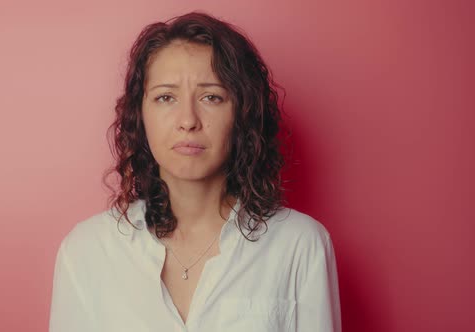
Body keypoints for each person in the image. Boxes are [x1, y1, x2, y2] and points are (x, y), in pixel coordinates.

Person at [49, 11, 341, 332]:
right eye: (165, 97)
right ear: (140, 113)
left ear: (242, 113)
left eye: (211, 97)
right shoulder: (87, 250)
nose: (188, 120)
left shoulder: (300, 245)